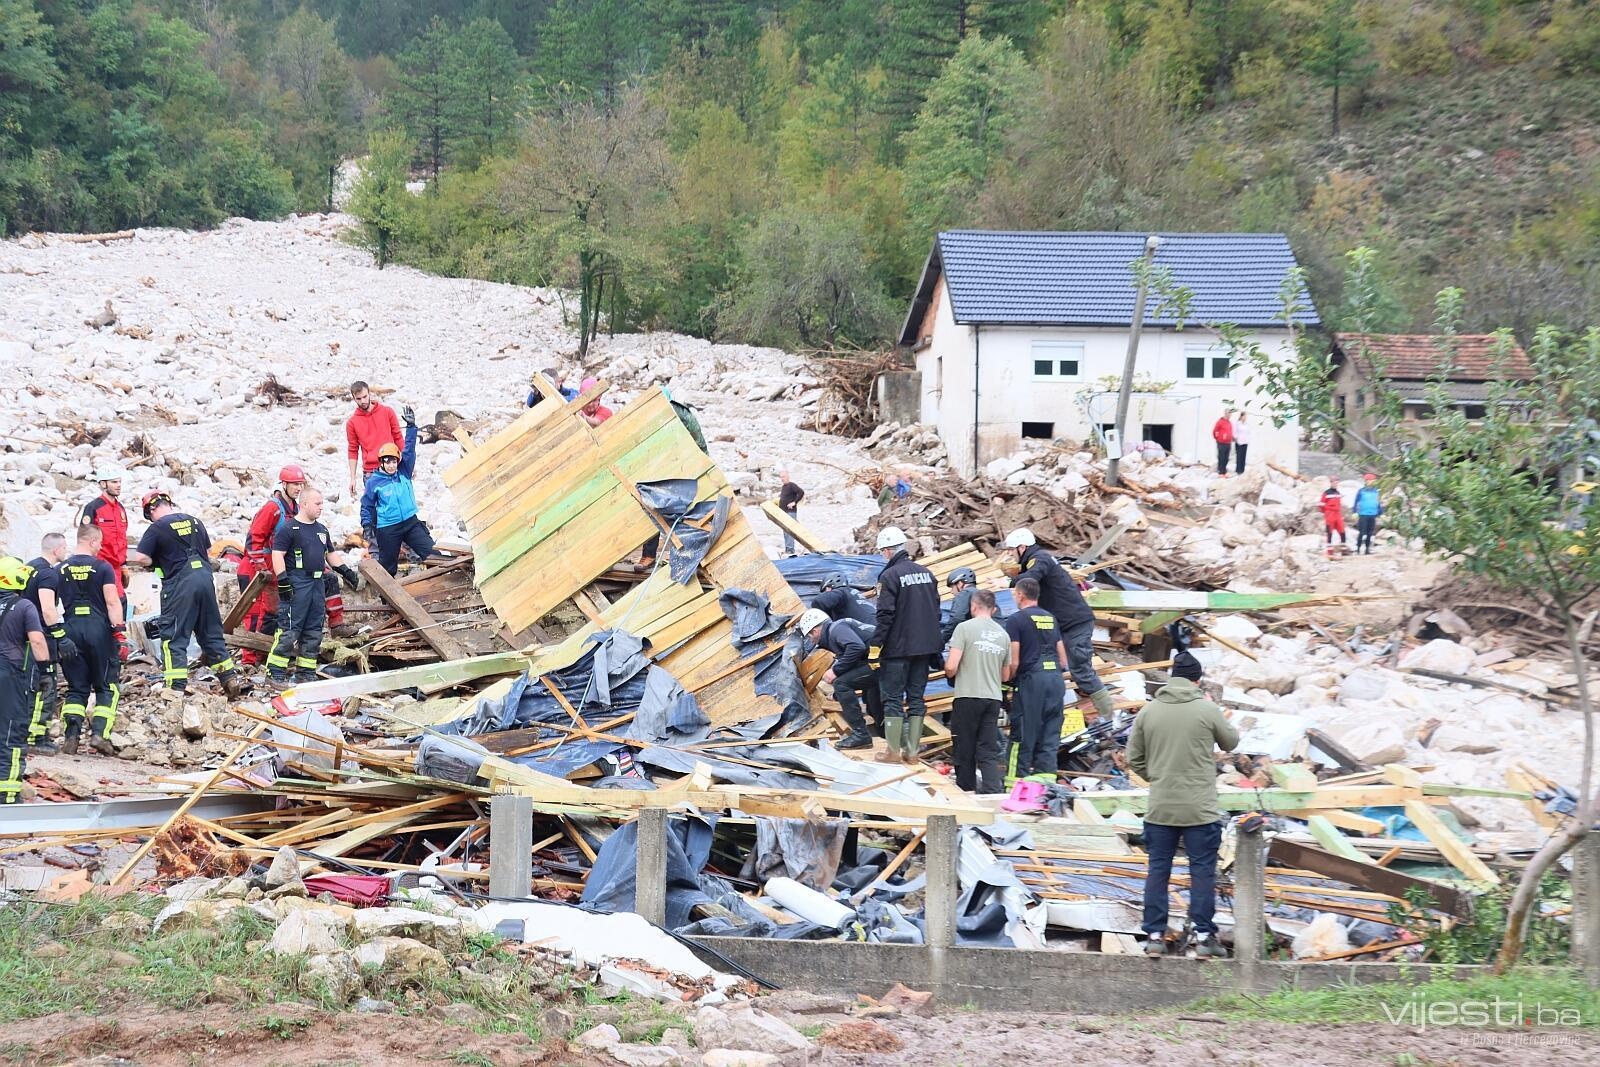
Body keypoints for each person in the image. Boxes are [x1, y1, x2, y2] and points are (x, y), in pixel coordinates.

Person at [1126, 650, 1239, 958]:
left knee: (1158, 870)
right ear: (1197, 680)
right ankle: (1204, 939)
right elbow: (1231, 742)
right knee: (1201, 871)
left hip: (1161, 807)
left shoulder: (1149, 712)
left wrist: (1157, 776)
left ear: (1170, 678)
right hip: (1199, 809)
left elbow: (1132, 757)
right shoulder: (1206, 708)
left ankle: (1154, 936)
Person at [128, 491, 247, 697]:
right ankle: (229, 678)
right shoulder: (195, 521)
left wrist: (157, 561)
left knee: (173, 635)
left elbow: (141, 558)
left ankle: (176, 687)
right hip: (205, 580)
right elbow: (208, 550)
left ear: (152, 510)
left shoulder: (157, 528)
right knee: (211, 633)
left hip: (180, 584)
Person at [1003, 528, 1114, 718]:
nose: (1010, 555)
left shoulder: (1040, 558)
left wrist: (1007, 583)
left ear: (1022, 547)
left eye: (1012, 550)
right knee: (1045, 664)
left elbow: (1031, 579)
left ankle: (1109, 716)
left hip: (1074, 624)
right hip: (1064, 625)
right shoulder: (1035, 560)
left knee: (1081, 671)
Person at [267, 489, 358, 686]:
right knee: (289, 630)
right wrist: (282, 580)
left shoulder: (321, 530)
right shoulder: (289, 529)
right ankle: (275, 673)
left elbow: (330, 554)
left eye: (322, 503)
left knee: (314, 630)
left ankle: (306, 673)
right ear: (304, 504)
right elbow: (277, 554)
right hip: (297, 582)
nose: (321, 507)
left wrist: (345, 571)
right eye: (317, 504)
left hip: (317, 584)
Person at [868, 526, 941, 765]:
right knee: (917, 699)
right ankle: (912, 752)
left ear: (889, 550)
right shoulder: (927, 574)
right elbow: (936, 612)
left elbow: (885, 615)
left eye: (883, 551)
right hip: (925, 649)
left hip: (898, 650)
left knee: (893, 699)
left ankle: (892, 752)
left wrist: (875, 647)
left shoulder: (889, 577)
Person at [56, 526, 124, 755]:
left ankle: (72, 737)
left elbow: (51, 605)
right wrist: (119, 633)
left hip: (70, 628)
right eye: (99, 543)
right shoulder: (102, 567)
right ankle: (99, 734)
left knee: (76, 688)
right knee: (106, 685)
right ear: (93, 541)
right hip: (98, 629)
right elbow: (112, 602)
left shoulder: (61, 568)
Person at [237, 465, 306, 665]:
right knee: (254, 614)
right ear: (283, 484)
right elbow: (254, 540)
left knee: (273, 613)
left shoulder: (295, 509)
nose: (298, 488)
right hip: (254, 570)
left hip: (273, 569)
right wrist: (261, 568)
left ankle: (263, 654)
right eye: (294, 484)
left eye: (300, 484)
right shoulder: (273, 508)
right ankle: (249, 661)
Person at [943, 589, 1008, 794]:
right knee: (987, 748)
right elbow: (1005, 676)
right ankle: (992, 790)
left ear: (973, 606)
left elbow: (951, 666)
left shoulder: (964, 628)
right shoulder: (1003, 635)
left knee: (964, 746)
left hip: (968, 695)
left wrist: (950, 670)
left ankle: (966, 790)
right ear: (994, 608)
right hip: (993, 698)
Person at [1003, 577, 1068, 779]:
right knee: (1049, 739)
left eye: (1015, 593)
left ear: (1021, 595)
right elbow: (1063, 659)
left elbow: (1014, 660)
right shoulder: (1051, 618)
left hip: (1032, 681)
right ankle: (1044, 789)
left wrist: (1007, 681)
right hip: (1055, 679)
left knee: (1023, 736)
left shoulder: (1016, 619)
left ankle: (1013, 788)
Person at [361, 406, 437, 575]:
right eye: (387, 462)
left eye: (394, 461)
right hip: (388, 528)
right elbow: (366, 505)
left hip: (411, 523)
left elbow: (409, 449)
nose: (391, 465)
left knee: (432, 554)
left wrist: (411, 427)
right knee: (388, 568)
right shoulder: (374, 482)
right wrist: (366, 525)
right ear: (381, 462)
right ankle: (386, 599)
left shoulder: (403, 471)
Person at [0, 557, 52, 804]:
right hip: (10, 674)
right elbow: (38, 641)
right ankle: (7, 794)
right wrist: (45, 671)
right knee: (11, 733)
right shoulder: (23, 606)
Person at [798, 608, 876, 751]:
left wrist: (835, 670)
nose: (811, 639)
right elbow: (857, 665)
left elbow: (856, 647)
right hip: (884, 660)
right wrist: (837, 695)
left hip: (888, 660)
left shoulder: (836, 629)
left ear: (815, 631)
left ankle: (861, 735)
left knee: (841, 683)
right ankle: (890, 738)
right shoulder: (836, 630)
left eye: (810, 635)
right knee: (873, 704)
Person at [23, 533, 71, 752]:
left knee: (28, 684)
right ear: (57, 549)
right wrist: (59, 634)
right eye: (65, 548)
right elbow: (48, 608)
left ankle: (24, 734)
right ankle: (36, 738)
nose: (66, 552)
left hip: (23, 635)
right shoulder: (48, 574)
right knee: (46, 685)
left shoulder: (29, 567)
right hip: (42, 634)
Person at [76, 468, 129, 613]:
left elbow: (123, 538)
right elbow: (84, 537)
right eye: (114, 482)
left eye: (119, 482)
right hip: (100, 565)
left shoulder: (121, 509)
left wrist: (124, 565)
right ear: (103, 484)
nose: (118, 485)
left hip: (117, 567)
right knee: (110, 603)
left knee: (121, 603)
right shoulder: (94, 507)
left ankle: (117, 634)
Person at [346, 380, 404, 498]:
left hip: (391, 465)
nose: (362, 401)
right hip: (370, 472)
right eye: (358, 399)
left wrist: (407, 464)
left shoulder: (387, 412)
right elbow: (353, 450)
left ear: (369, 393)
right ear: (354, 398)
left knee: (397, 505)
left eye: (365, 396)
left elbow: (398, 437)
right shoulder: (352, 423)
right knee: (375, 511)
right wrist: (352, 478)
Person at [941, 566, 978, 645]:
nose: (951, 592)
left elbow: (956, 618)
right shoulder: (985, 595)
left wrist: (941, 641)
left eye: (952, 587)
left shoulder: (964, 594)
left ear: (960, 584)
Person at [777, 470, 804, 557]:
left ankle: (790, 550)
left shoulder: (791, 485)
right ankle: (787, 549)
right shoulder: (784, 487)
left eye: (783, 477)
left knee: (790, 531)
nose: (782, 479)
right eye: (781, 477)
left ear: (788, 477)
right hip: (784, 513)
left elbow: (801, 492)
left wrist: (794, 502)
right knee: (785, 531)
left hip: (790, 512)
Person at [1354, 473, 1382, 554]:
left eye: (1373, 481)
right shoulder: (1361, 491)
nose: (1372, 482)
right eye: (1370, 480)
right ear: (1366, 481)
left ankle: (1367, 549)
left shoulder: (1376, 491)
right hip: (1363, 514)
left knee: (1370, 533)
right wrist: (1355, 511)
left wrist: (1381, 512)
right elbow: (1356, 502)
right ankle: (1358, 549)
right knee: (1362, 532)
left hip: (1372, 514)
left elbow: (1377, 502)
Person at [1320, 477, 1348, 549]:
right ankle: (1329, 548)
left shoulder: (1338, 493)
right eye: (1334, 482)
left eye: (1336, 483)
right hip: (1330, 514)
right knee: (1329, 531)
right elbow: (1321, 504)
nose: (1335, 484)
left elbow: (1339, 504)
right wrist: (1326, 512)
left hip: (1337, 514)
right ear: (1331, 483)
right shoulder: (1326, 493)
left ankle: (1343, 547)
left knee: (1342, 530)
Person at [1212, 410, 1234, 477]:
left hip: (1228, 442)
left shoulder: (1229, 422)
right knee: (1221, 457)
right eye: (1229, 413)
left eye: (1230, 414)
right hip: (1221, 442)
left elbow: (1229, 431)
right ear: (1225, 413)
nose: (1230, 415)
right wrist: (1218, 438)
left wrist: (1231, 438)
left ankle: (1224, 472)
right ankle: (1220, 472)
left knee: (1226, 458)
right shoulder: (1220, 422)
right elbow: (1214, 431)